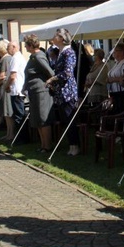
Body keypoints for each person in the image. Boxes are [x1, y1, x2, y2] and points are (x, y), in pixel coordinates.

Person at [46, 28, 80, 156]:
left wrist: (52, 79)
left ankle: (75, 145)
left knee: (70, 119)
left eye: (56, 36)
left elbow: (67, 73)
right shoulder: (60, 52)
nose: (54, 38)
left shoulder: (69, 52)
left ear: (62, 38)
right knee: (65, 120)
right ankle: (71, 145)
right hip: (61, 92)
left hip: (68, 92)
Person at [24, 34, 54, 151]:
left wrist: (49, 83)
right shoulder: (33, 56)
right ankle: (43, 145)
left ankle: (47, 146)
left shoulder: (39, 56)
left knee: (43, 118)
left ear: (31, 45)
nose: (25, 47)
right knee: (37, 119)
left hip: (41, 91)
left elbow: (49, 72)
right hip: (34, 91)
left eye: (26, 45)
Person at [6, 41, 27, 144]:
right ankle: (20, 137)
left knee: (19, 115)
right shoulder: (18, 57)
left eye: (8, 47)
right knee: (18, 114)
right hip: (17, 90)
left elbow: (13, 75)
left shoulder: (15, 58)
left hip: (17, 90)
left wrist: (7, 85)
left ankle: (21, 138)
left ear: (14, 47)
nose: (7, 49)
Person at [0, 40, 13, 138]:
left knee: (7, 111)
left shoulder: (5, 59)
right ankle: (8, 133)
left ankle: (10, 133)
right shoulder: (6, 58)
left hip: (4, 87)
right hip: (4, 87)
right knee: (6, 112)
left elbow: (2, 75)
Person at [106, 42, 124, 114]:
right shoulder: (116, 63)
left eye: (115, 50)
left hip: (121, 93)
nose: (113, 52)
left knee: (119, 111)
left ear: (122, 52)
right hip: (113, 93)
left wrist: (112, 79)